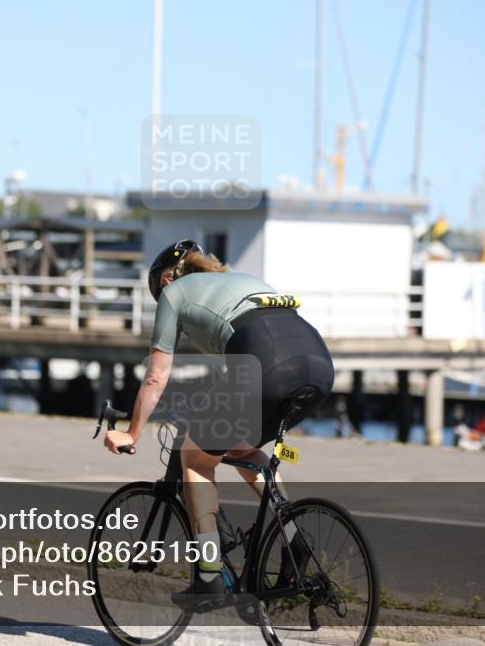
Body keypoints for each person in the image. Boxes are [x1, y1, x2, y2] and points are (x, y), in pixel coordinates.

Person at [104, 239, 335, 611]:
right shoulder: (242, 282)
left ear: (166, 279)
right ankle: (294, 539)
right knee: (245, 449)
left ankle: (209, 576)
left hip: (265, 363)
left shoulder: (174, 293)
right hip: (317, 363)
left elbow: (155, 379)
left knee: (194, 460)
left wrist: (131, 432)